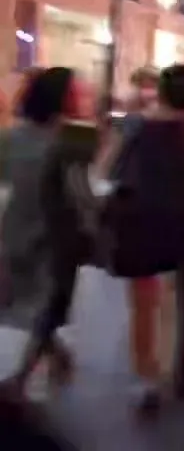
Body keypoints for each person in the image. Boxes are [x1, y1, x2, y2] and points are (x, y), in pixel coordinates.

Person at [101, 64, 184, 414]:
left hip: (138, 213)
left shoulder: (136, 122)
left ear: (163, 90)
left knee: (142, 300)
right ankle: (182, 366)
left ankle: (145, 380)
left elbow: (106, 168)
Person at [0, 68, 95, 399]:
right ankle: (30, 374)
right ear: (63, 99)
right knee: (47, 305)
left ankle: (27, 376)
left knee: (30, 301)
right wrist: (97, 217)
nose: (85, 97)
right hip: (55, 235)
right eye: (79, 92)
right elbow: (80, 192)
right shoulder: (71, 141)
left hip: (16, 228)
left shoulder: (10, 137)